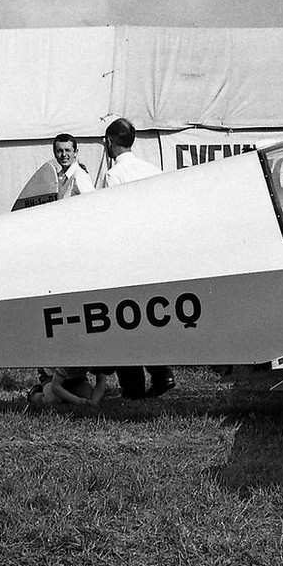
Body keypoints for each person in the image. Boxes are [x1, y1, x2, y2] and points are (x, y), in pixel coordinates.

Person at [102, 117, 174, 398]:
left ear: (109, 142)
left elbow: (112, 221)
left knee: (123, 322)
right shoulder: (152, 170)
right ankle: (162, 373)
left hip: (126, 257)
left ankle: (131, 385)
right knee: (149, 318)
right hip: (152, 254)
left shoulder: (113, 176)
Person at [26, 368, 107, 410]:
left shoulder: (99, 360)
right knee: (53, 399)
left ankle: (66, 394)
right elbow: (55, 386)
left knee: (87, 395)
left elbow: (101, 381)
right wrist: (78, 401)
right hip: (52, 376)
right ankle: (34, 395)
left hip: (76, 377)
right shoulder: (68, 361)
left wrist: (93, 402)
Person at [51, 133, 94, 199]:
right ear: (54, 153)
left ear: (75, 152)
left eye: (67, 150)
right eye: (60, 151)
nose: (64, 154)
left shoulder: (79, 176)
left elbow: (92, 202)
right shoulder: (60, 176)